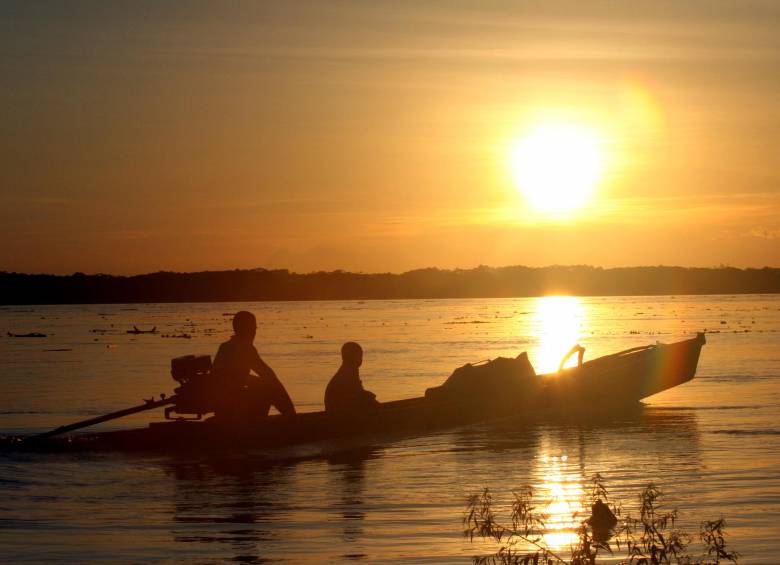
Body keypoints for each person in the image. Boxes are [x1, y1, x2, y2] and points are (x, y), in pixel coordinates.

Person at [212, 311, 296, 421]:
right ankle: (277, 420)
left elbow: (231, 376)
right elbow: (268, 374)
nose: (255, 331)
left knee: (261, 383)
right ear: (247, 329)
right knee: (269, 385)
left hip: (222, 406)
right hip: (232, 405)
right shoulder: (245, 348)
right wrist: (290, 410)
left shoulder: (224, 347)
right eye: (253, 328)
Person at [325, 342, 380, 414]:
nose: (361, 359)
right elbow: (356, 395)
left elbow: (357, 392)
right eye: (358, 356)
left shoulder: (350, 370)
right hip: (339, 412)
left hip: (341, 409)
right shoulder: (346, 373)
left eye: (361, 356)